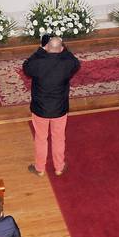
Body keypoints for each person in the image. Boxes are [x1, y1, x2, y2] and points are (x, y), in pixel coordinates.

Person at [23, 34, 80, 177]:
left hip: (40, 109)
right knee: (59, 137)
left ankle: (39, 168)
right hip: (59, 109)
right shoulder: (67, 63)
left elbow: (26, 66)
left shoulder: (38, 63)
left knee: (41, 138)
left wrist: (41, 50)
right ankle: (59, 167)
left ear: (47, 47)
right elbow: (76, 62)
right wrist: (63, 49)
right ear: (61, 48)